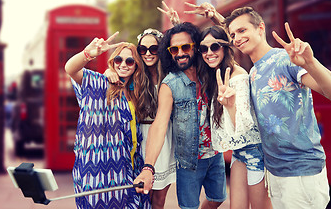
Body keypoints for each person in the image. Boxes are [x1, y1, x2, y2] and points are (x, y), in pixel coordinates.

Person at [223, 7, 331, 208]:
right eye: (233, 35)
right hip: (275, 173)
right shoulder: (253, 73)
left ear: (260, 28)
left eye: (242, 31)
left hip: (301, 173)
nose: (236, 38)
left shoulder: (285, 60)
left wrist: (310, 62)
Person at [134, 22, 227, 209]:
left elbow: (227, 47)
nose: (180, 53)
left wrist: (215, 18)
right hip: (188, 161)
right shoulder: (170, 83)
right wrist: (148, 167)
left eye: (185, 47)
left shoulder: (210, 71)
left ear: (196, 47)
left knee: (218, 199)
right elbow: (159, 124)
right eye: (174, 49)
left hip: (216, 154)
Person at [65, 33, 151, 209]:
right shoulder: (98, 83)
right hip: (96, 174)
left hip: (129, 169)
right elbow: (70, 69)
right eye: (118, 60)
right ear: (113, 62)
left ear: (136, 66)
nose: (123, 65)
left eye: (130, 61)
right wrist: (88, 54)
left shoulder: (136, 94)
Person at [197, 25, 271, 209]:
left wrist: (230, 105)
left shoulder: (237, 76)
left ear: (225, 48)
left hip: (256, 152)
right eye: (203, 49)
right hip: (239, 152)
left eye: (214, 47)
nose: (209, 53)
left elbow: (244, 123)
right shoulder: (216, 75)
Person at [105, 28, 176, 209]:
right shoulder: (136, 74)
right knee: (142, 196)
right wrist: (108, 71)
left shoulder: (169, 75)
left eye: (153, 49)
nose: (148, 53)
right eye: (143, 49)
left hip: (163, 136)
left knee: (159, 199)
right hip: (139, 137)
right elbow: (118, 72)